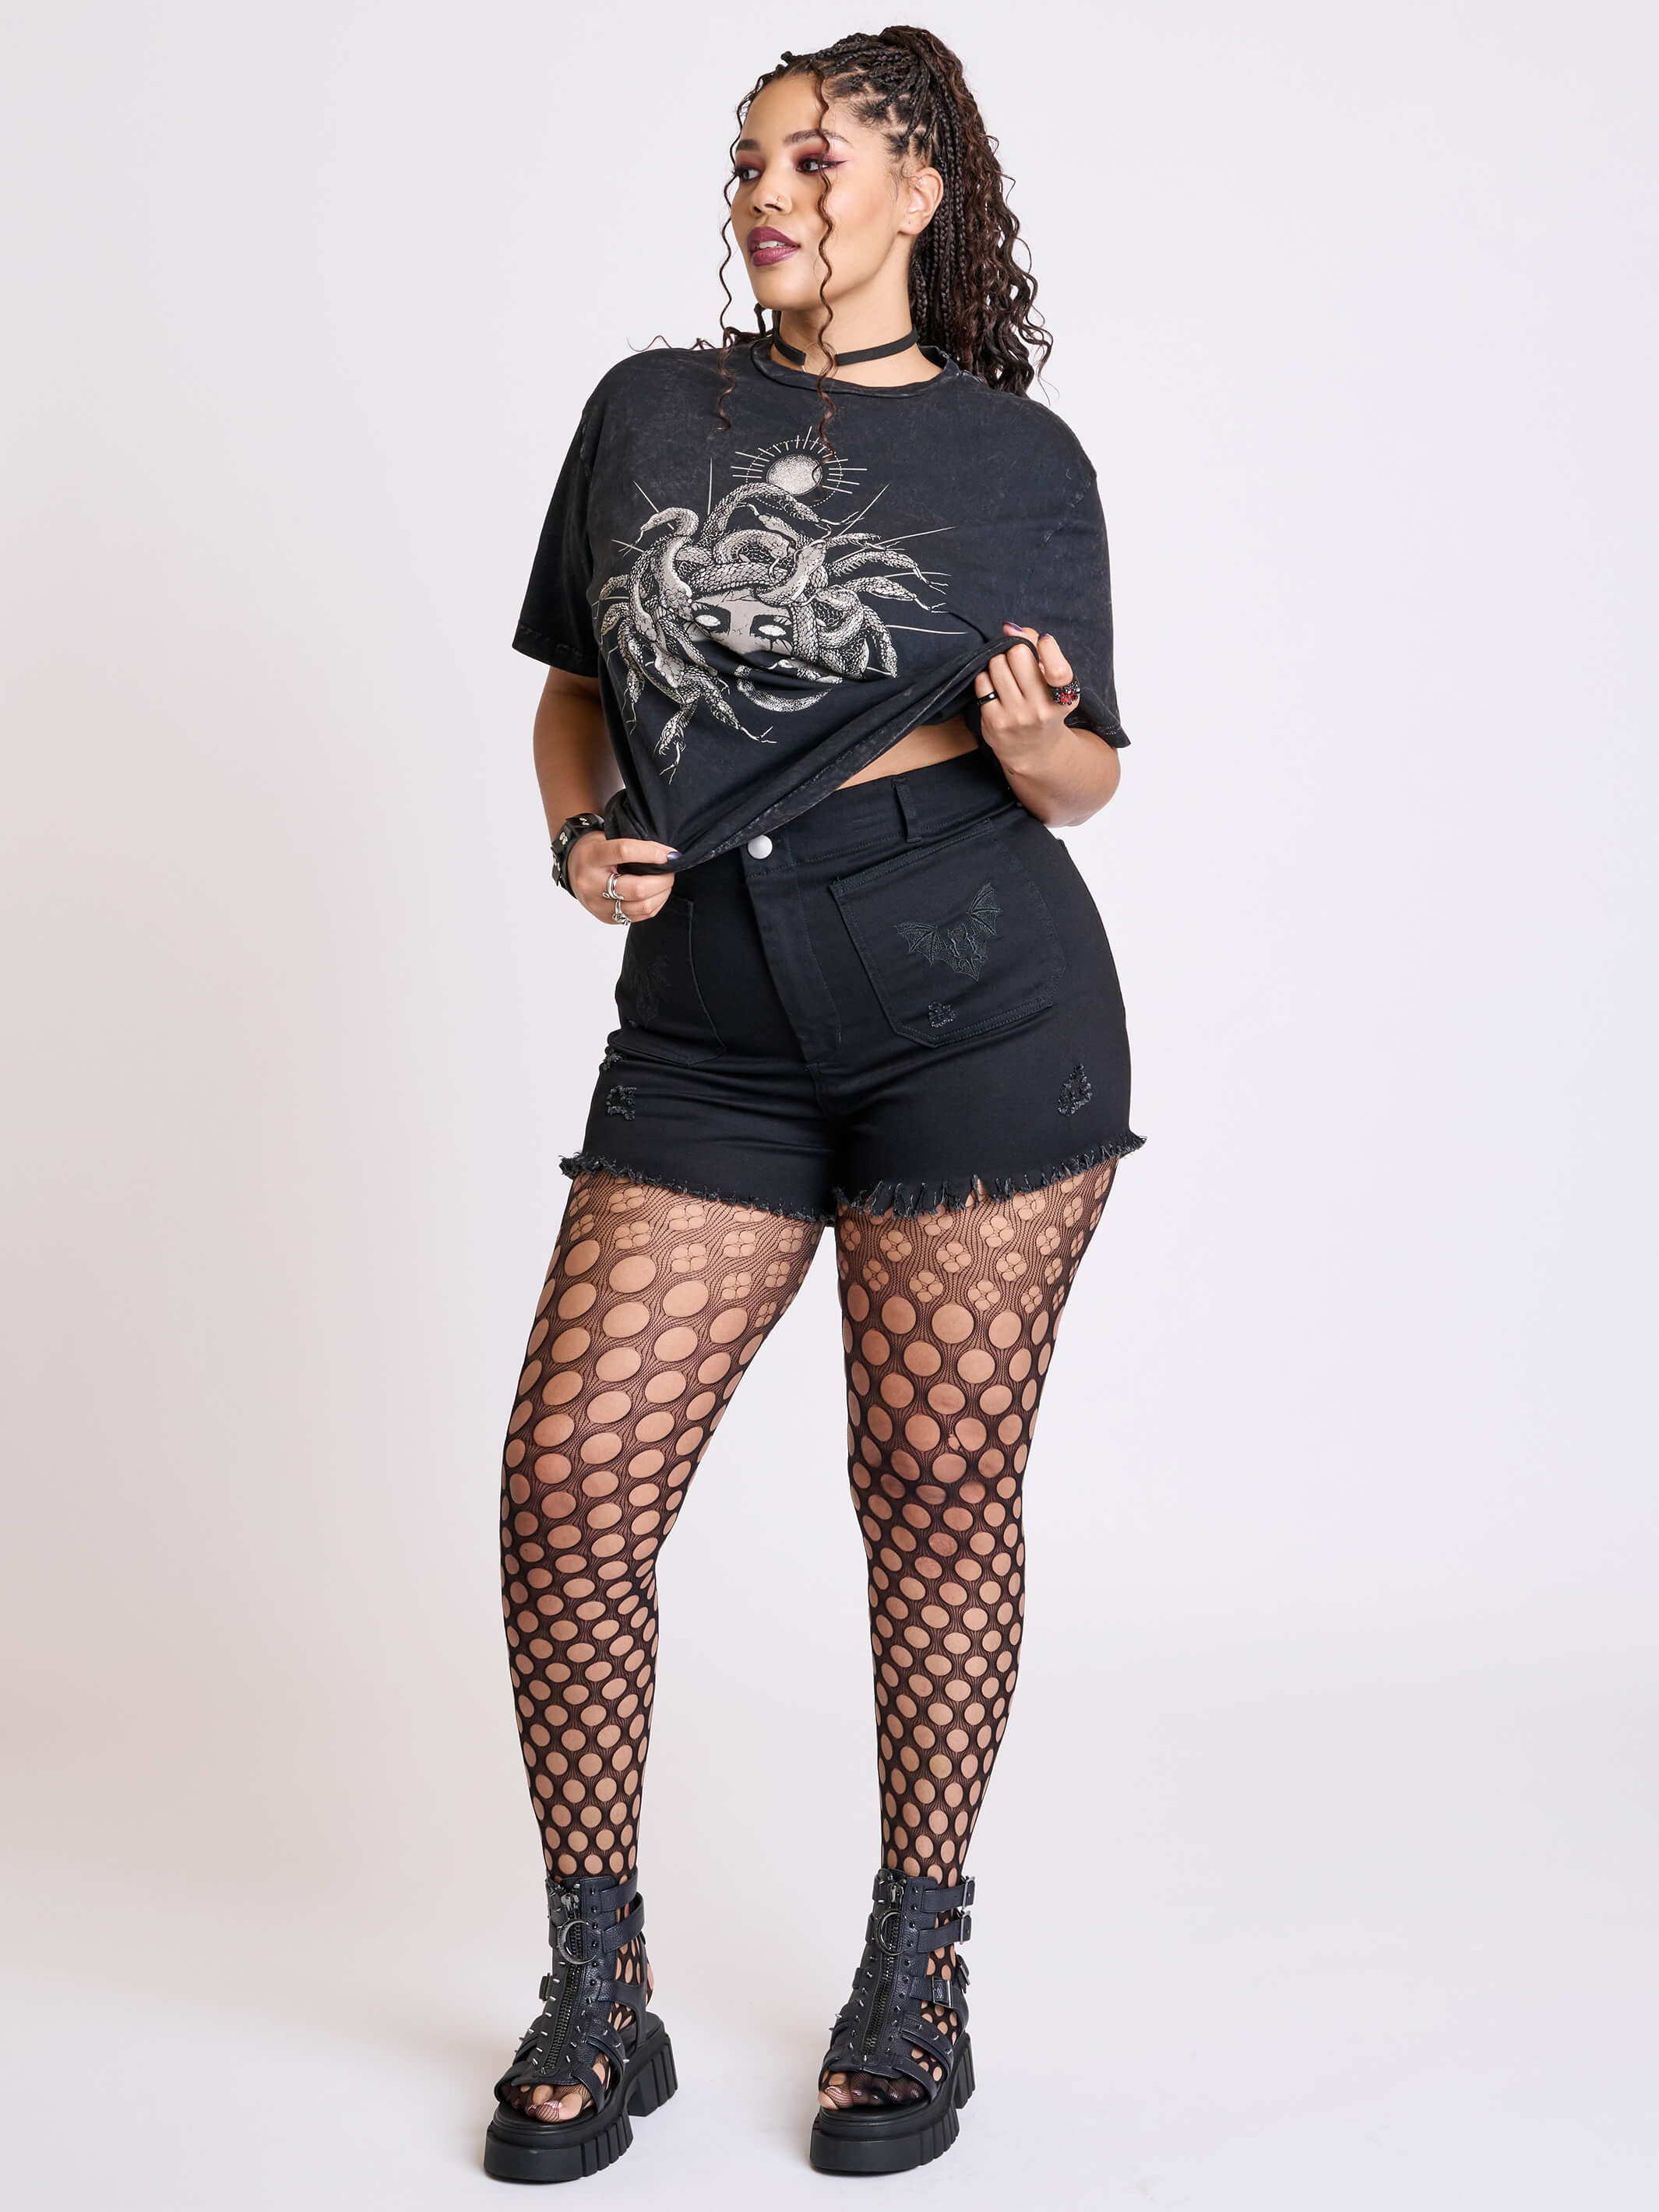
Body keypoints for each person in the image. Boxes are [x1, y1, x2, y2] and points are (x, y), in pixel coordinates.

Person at [484, 26, 1143, 2183]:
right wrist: (578, 843)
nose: (769, 195)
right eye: (749, 162)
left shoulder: (1018, 456)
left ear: (920, 188)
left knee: (932, 1493)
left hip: (977, 1003)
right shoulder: (646, 409)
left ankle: (915, 1968)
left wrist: (1037, 741)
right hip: (706, 1020)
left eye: (816, 159)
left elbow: (1085, 777)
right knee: (573, 1488)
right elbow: (579, 697)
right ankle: (598, 1980)